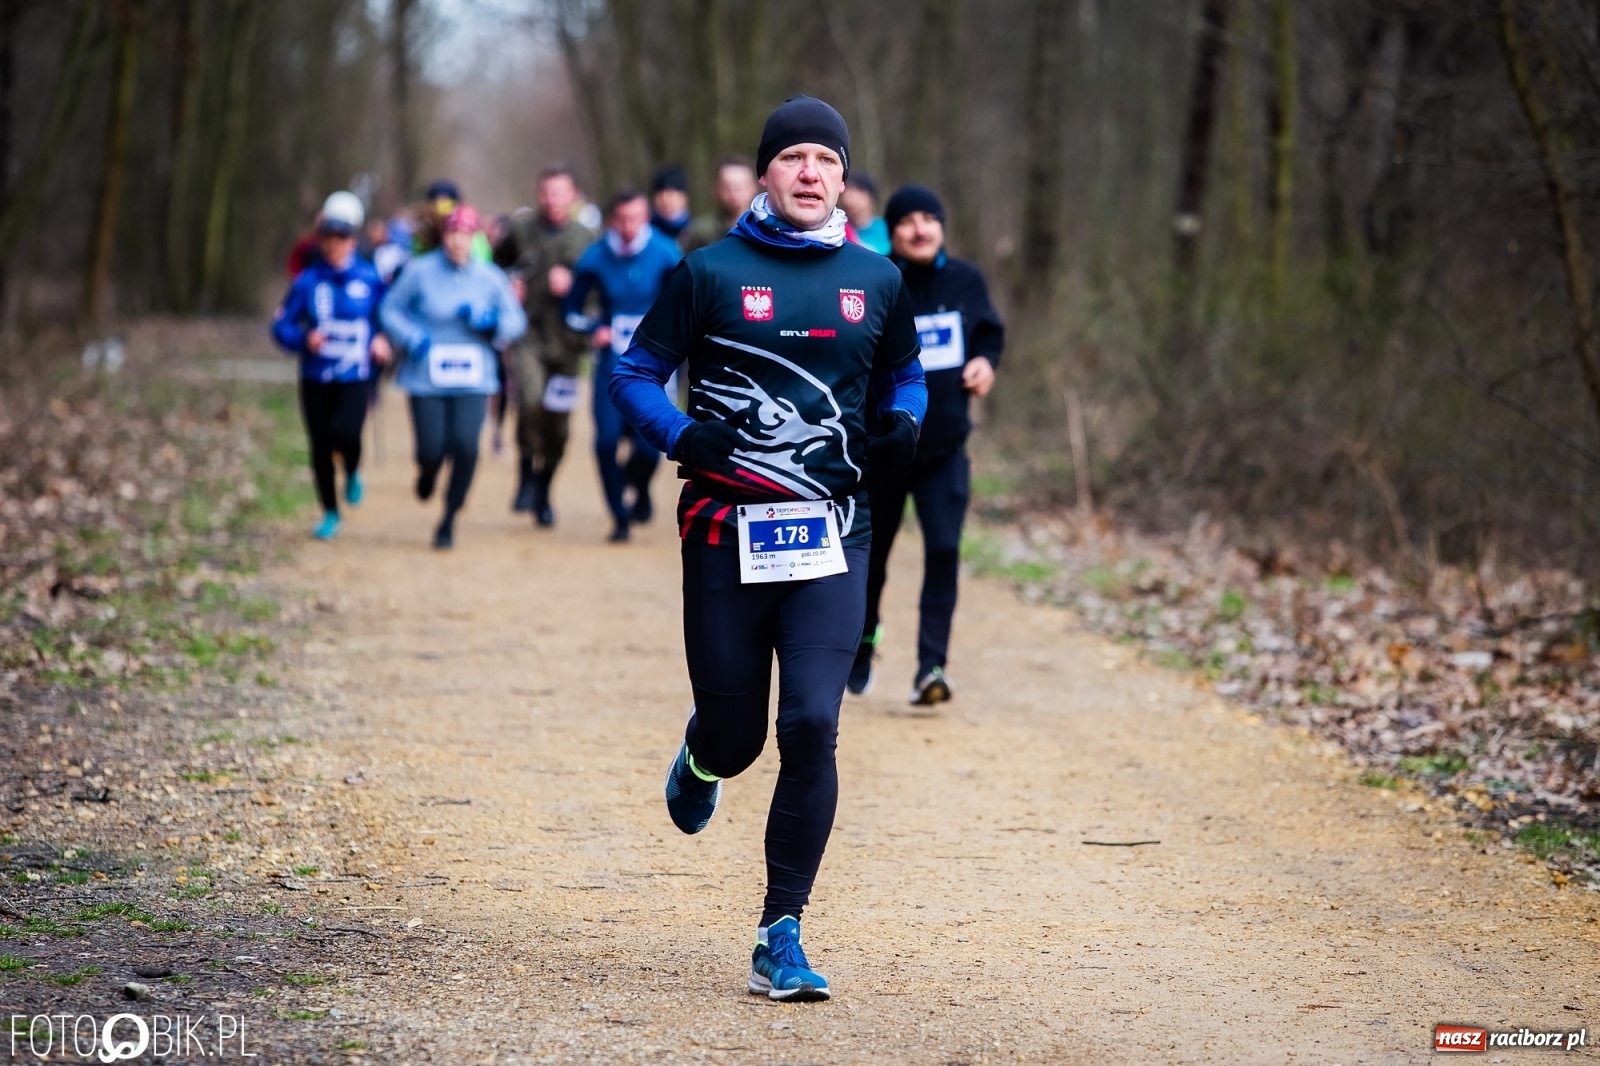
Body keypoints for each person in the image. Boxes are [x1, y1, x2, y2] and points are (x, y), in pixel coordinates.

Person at [609, 95, 927, 1001]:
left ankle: (779, 931)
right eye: (792, 158)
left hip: (835, 532)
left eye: (826, 160)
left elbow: (905, 371)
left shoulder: (879, 278)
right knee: (741, 735)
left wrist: (905, 419)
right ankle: (703, 755)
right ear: (764, 173)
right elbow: (633, 372)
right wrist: (681, 436)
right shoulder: (707, 272)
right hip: (724, 532)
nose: (810, 173)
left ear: (842, 177)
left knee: (813, 726)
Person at [849, 184, 1003, 704]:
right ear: (891, 232)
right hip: (888, 448)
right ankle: (863, 639)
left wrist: (985, 362)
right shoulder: (875, 280)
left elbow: (988, 332)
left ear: (941, 226)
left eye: (929, 218)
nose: (920, 228)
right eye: (908, 220)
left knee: (943, 550)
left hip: (944, 451)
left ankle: (931, 666)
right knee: (874, 558)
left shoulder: (966, 279)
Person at [379, 204, 527, 549]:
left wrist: (491, 323)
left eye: (465, 234)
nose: (458, 241)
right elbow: (388, 309)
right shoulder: (419, 270)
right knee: (431, 449)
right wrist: (410, 336)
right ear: (443, 236)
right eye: (452, 233)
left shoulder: (490, 276)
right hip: (425, 374)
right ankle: (428, 473)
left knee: (465, 446)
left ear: (474, 238)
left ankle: (449, 517)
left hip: (474, 377)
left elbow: (516, 322)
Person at [270, 192, 392, 541]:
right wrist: (302, 339)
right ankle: (329, 512)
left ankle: (353, 470)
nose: (334, 245)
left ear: (353, 241)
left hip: (355, 374)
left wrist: (382, 339)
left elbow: (387, 318)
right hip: (315, 375)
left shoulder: (370, 279)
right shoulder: (307, 282)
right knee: (320, 444)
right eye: (328, 238)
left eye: (341, 239)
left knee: (347, 433)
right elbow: (281, 326)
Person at [562, 188, 681, 542]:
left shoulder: (666, 253)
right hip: (611, 363)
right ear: (612, 220)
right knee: (605, 442)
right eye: (622, 219)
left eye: (636, 219)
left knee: (649, 447)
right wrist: (593, 328)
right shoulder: (595, 257)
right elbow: (571, 310)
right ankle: (619, 517)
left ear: (646, 218)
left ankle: (640, 486)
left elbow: (684, 306)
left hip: (655, 364)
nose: (629, 227)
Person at [492, 164, 596, 525]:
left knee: (559, 423)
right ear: (539, 195)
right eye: (547, 192)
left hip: (568, 344)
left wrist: (577, 291)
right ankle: (524, 473)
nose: (553, 200)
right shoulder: (520, 231)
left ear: (572, 196)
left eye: (560, 192)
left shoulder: (586, 238)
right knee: (530, 402)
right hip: (529, 336)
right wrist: (509, 284)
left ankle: (544, 488)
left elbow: (599, 290)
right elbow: (493, 269)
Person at [680, 156, 759, 255]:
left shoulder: (766, 230)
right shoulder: (699, 232)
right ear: (715, 189)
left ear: (753, 187)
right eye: (726, 186)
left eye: (740, 186)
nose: (733, 192)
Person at [840, 174, 890, 255]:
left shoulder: (887, 228)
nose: (849, 198)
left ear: (870, 197)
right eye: (847, 191)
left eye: (858, 191)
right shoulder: (839, 231)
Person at [649, 166, 692, 242]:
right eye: (660, 195)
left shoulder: (696, 232)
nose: (665, 200)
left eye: (670, 193)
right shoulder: (647, 234)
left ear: (683, 197)